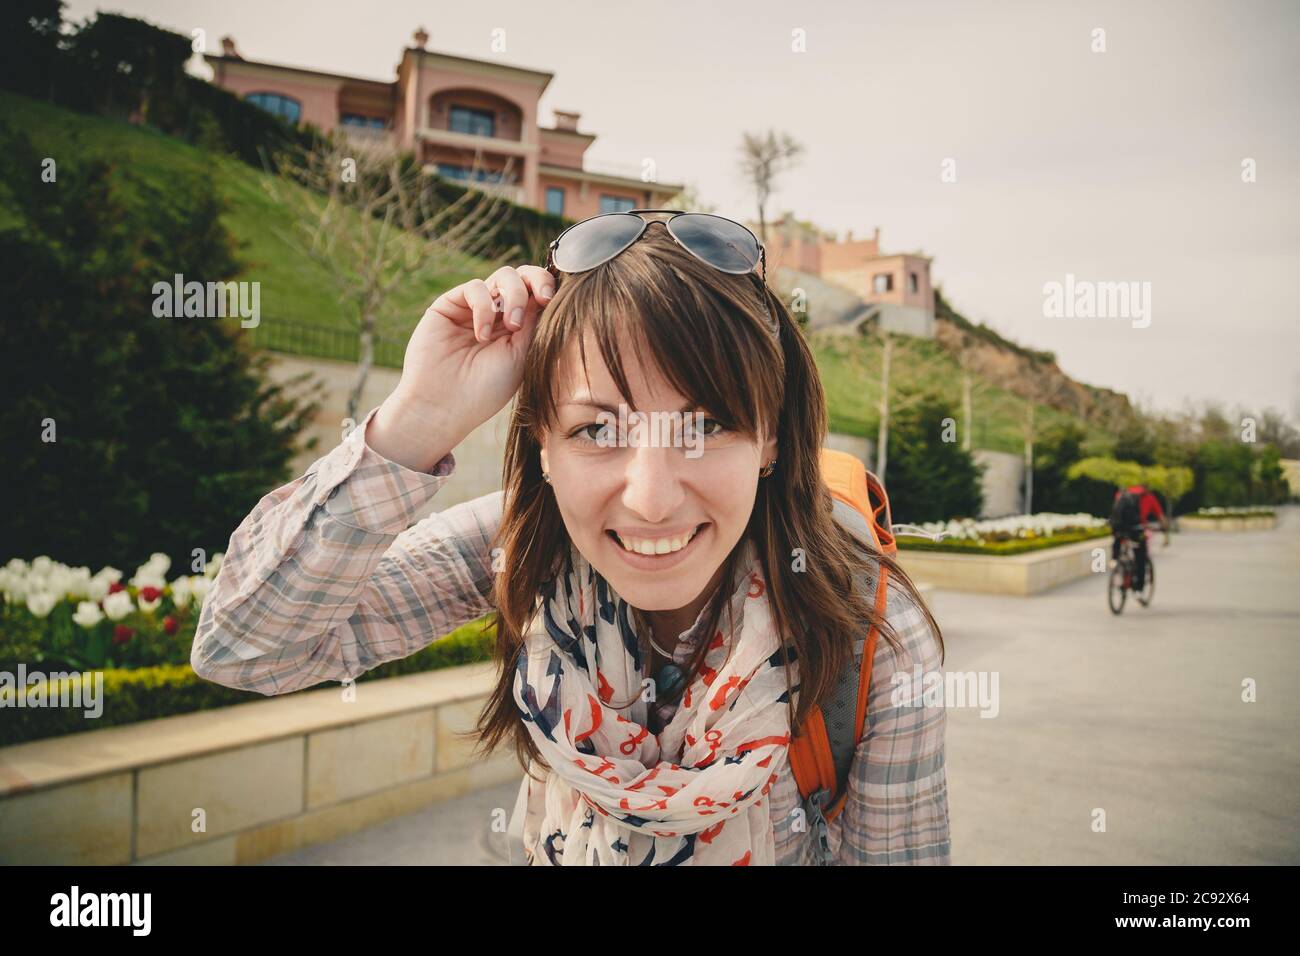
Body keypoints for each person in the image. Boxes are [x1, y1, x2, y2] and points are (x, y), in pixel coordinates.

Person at [190, 209, 951, 866]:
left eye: (707, 425)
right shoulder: (526, 541)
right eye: (596, 429)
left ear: (772, 440)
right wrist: (418, 419)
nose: (650, 500)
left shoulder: (866, 628)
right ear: (543, 448)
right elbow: (246, 648)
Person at [1110, 482, 1168, 591]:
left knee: (1118, 545)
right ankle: (1139, 586)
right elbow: (1160, 516)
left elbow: (1116, 511)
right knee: (1141, 554)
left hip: (1118, 528)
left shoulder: (1122, 493)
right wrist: (1165, 531)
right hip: (1137, 529)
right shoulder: (1149, 497)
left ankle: (1115, 562)